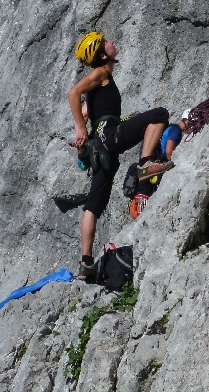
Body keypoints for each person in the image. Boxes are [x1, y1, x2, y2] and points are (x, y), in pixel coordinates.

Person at [68, 31, 175, 282]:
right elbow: (73, 94)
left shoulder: (100, 81)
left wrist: (82, 136)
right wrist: (82, 129)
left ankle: (86, 264)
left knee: (94, 205)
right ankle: (145, 164)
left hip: (102, 147)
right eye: (106, 41)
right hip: (110, 135)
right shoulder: (101, 73)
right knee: (158, 115)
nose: (112, 41)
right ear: (102, 54)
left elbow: (83, 111)